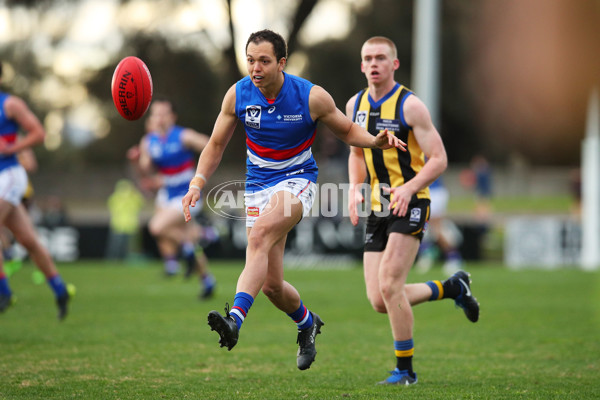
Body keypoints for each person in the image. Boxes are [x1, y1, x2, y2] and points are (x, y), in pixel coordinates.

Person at [181, 29, 405, 370]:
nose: (256, 68)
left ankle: (235, 321)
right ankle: (307, 323)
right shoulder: (238, 95)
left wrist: (375, 142)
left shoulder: (310, 96)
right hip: (258, 186)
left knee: (257, 237)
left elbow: (346, 131)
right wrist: (197, 182)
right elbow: (214, 145)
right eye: (251, 60)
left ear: (282, 62)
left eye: (264, 61)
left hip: (298, 181)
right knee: (271, 285)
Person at [346, 37, 480, 385]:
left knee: (391, 284)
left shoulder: (411, 106)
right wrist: (354, 190)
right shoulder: (354, 105)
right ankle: (452, 288)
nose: (374, 63)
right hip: (378, 206)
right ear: (361, 66)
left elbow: (440, 159)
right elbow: (356, 154)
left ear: (395, 64)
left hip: (412, 201)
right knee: (379, 299)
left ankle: (405, 372)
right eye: (368, 58)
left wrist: (407, 187)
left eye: (381, 58)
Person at [0, 61, 73, 319]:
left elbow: (39, 133)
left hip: (9, 174)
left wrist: (12, 148)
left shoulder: (10, 104)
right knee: (28, 240)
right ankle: (60, 288)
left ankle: (4, 292)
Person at [130, 98, 216, 298]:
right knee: (185, 239)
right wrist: (136, 161)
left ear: (172, 117)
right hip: (166, 196)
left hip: (187, 195)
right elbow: (146, 170)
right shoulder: (148, 141)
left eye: (163, 113)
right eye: (155, 114)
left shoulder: (183, 136)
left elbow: (211, 145)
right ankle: (207, 280)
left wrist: (198, 175)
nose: (159, 117)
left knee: (157, 227)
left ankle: (201, 236)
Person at [416, 176, 464, 275]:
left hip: (433, 192)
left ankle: (453, 258)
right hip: (425, 191)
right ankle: (428, 253)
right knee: (421, 226)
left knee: (436, 228)